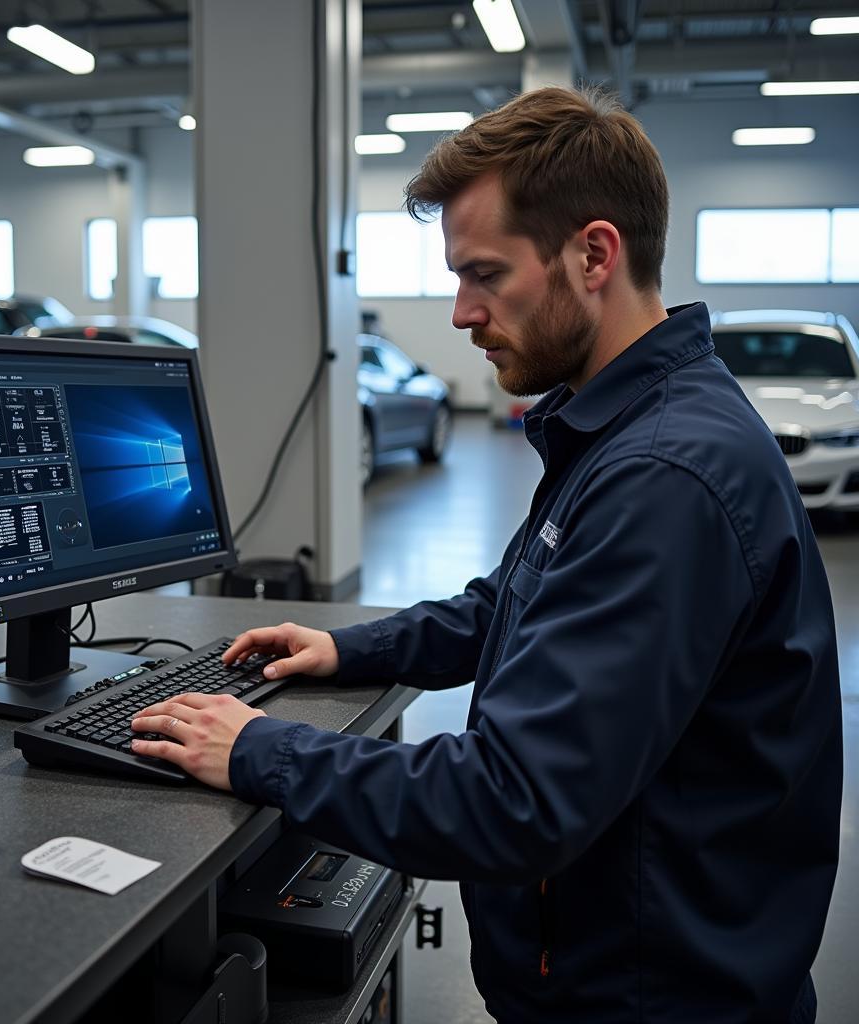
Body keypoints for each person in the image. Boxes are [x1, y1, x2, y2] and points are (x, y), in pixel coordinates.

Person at [129, 87, 842, 1023]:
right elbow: (509, 602)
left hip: (646, 998)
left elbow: (514, 802)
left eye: (485, 275)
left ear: (594, 254)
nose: (462, 312)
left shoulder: (665, 474)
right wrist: (354, 649)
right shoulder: (627, 424)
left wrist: (262, 749)